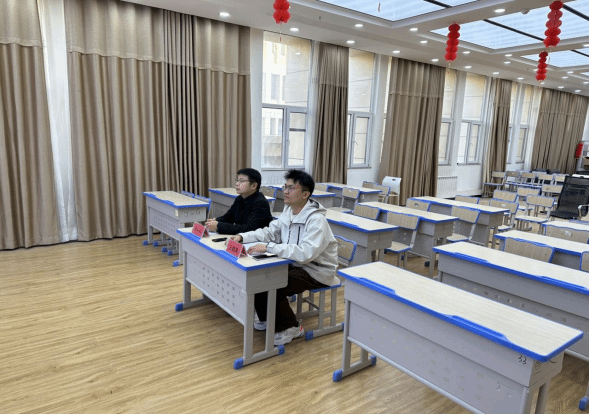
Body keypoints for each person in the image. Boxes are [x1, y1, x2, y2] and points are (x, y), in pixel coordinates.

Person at [229, 169, 339, 346]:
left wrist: (269, 247)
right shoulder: (289, 211)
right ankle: (267, 317)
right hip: (293, 263)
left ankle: (291, 327)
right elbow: (269, 232)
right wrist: (243, 237)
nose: (285, 191)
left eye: (291, 188)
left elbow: (305, 253)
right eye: (285, 187)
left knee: (274, 283)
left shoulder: (316, 220)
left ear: (305, 194)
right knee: (260, 275)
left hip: (316, 270)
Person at [205, 168, 273, 235]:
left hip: (257, 239)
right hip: (242, 237)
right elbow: (228, 217)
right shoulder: (240, 198)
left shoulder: (260, 203)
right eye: (237, 180)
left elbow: (248, 229)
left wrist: (218, 226)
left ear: (254, 186)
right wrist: (215, 221)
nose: (237, 184)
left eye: (242, 181)